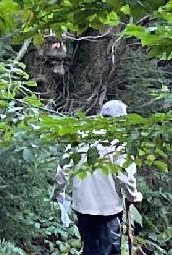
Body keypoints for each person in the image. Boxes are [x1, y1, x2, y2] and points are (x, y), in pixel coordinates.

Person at [54, 100, 142, 255]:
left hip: (82, 206)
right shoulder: (119, 142)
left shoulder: (82, 135)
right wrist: (133, 196)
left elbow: (63, 168)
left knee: (90, 249)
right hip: (109, 209)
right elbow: (124, 176)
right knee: (109, 251)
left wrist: (59, 193)